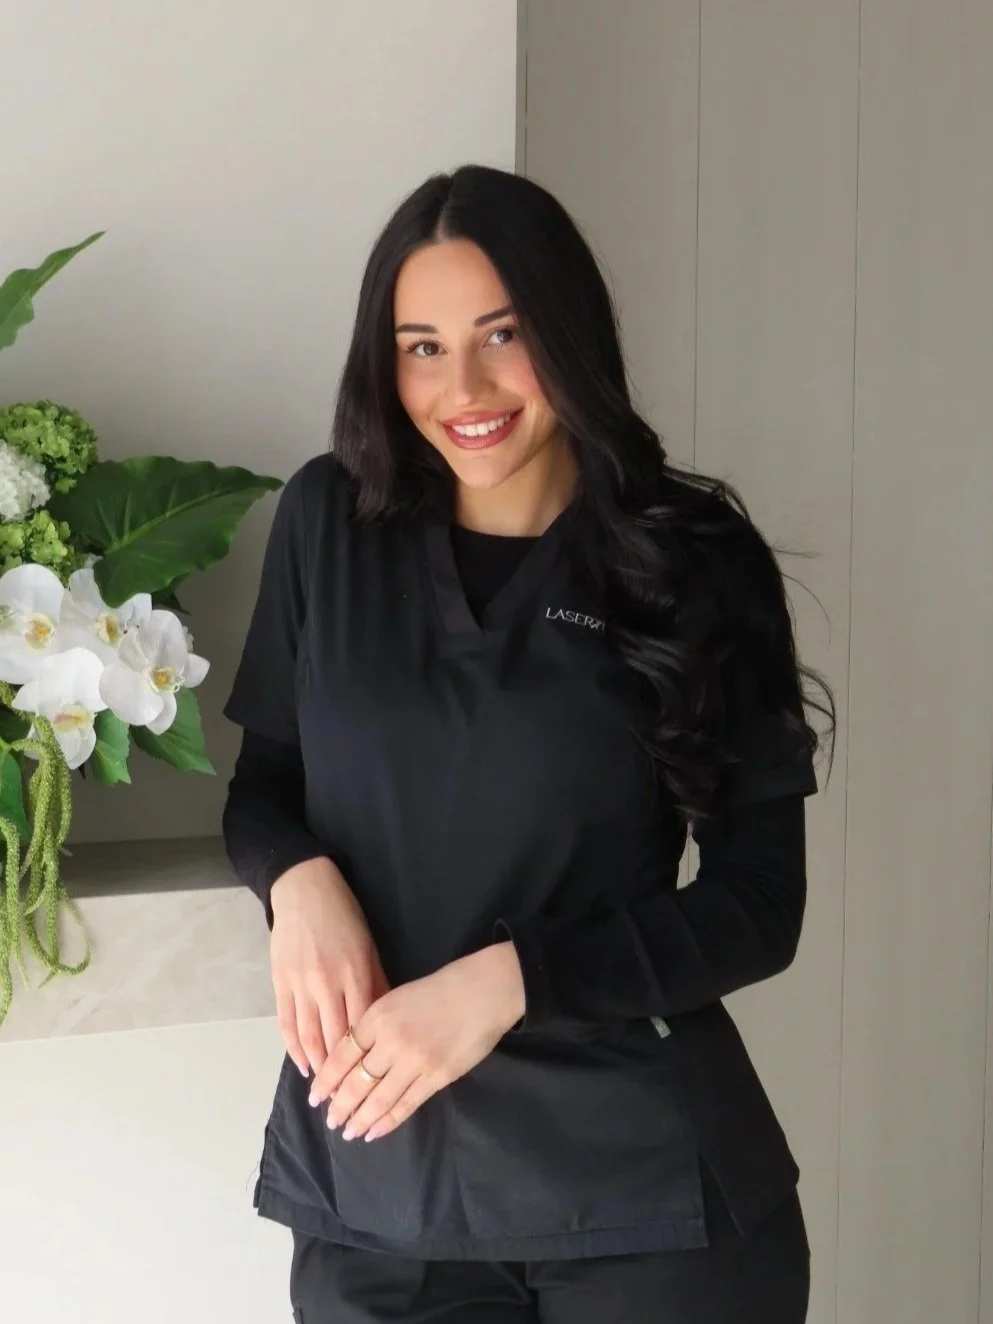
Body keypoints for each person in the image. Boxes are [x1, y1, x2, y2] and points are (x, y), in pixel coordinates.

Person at [222, 163, 834, 1324]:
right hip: (381, 1196)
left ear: (569, 330)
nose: (466, 386)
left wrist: (508, 983)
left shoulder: (692, 556)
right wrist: (295, 881)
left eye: (502, 334)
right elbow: (266, 789)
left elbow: (760, 901)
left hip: (650, 1207)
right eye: (422, 346)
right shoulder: (324, 526)